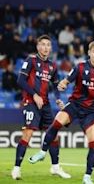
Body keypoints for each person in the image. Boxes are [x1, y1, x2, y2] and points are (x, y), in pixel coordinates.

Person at [28, 41, 94, 184]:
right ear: (89, 53)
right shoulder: (80, 67)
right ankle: (42, 152)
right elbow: (65, 81)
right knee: (57, 122)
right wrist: (63, 85)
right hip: (75, 105)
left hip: (91, 111)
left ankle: (87, 177)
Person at [11, 35, 71, 180]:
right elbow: (20, 80)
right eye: (42, 44)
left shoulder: (53, 66)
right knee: (28, 134)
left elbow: (56, 85)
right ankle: (16, 169)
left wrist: (57, 99)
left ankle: (55, 167)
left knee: (53, 134)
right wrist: (34, 95)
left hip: (45, 104)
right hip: (30, 102)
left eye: (48, 45)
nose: (45, 47)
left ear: (51, 48)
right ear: (38, 47)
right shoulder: (31, 60)